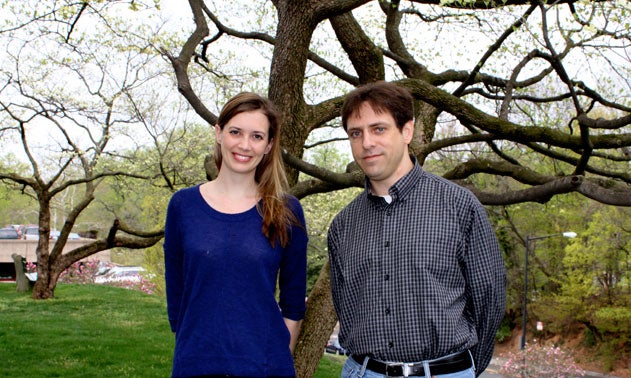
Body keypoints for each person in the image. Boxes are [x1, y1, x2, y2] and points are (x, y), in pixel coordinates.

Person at [328, 81, 506, 378]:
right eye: (356, 133)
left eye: (379, 129)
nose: (367, 142)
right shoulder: (343, 226)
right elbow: (344, 305)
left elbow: (489, 299)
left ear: (406, 131)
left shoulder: (459, 206)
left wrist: (461, 369)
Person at [164, 92, 308, 378]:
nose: (244, 145)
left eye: (256, 136)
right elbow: (177, 302)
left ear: (268, 145)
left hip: (265, 368)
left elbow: (293, 305)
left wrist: (274, 359)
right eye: (235, 132)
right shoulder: (183, 206)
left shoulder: (286, 211)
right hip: (195, 366)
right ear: (218, 133)